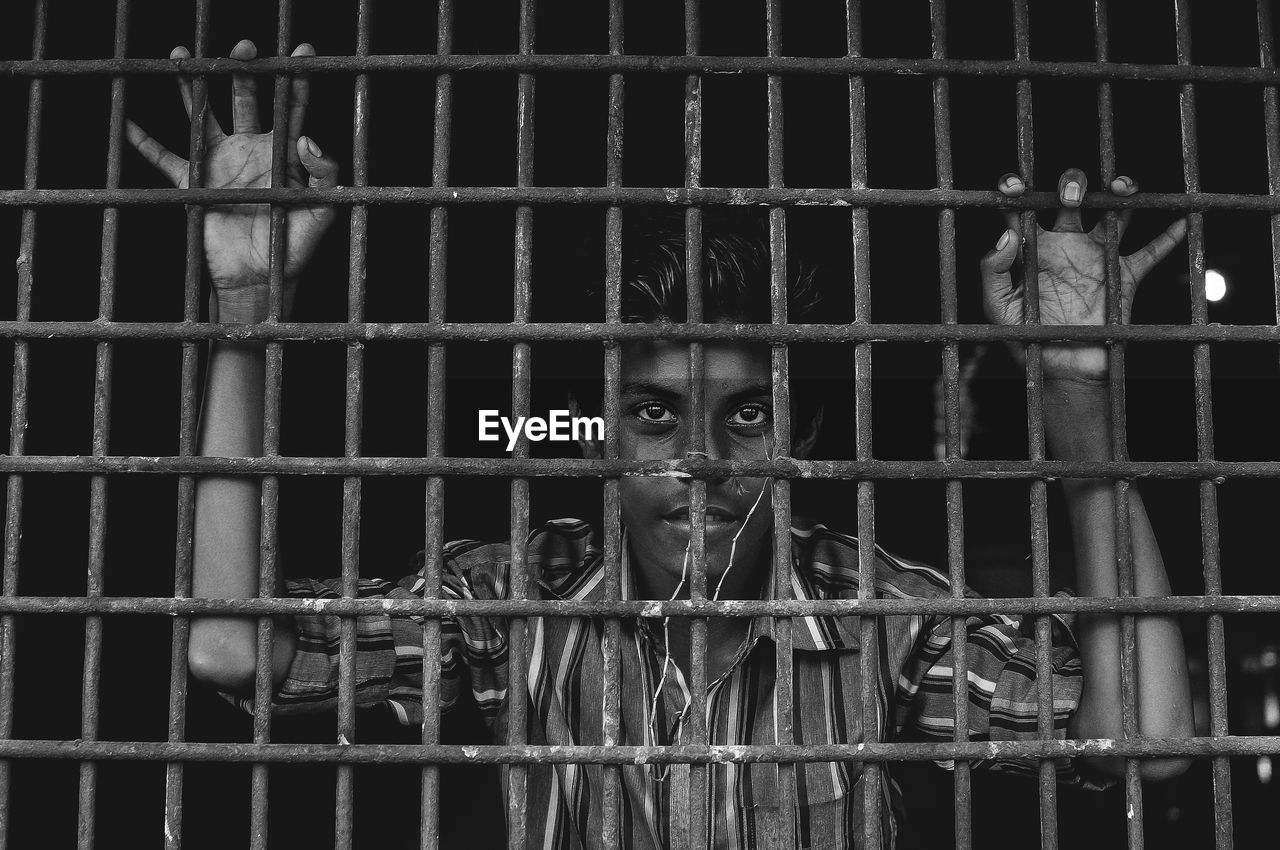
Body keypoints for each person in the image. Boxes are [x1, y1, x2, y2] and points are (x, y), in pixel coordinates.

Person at [127, 39, 1195, 850]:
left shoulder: (874, 610)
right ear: (601, 437)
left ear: (801, 437)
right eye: (652, 415)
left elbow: (1143, 736)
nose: (699, 459)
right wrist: (247, 319)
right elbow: (233, 648)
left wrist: (1076, 407)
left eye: (745, 414)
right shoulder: (515, 601)